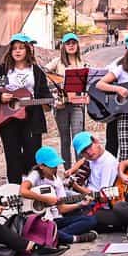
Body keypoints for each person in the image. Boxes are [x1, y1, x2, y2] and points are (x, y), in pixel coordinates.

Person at [0, 33, 54, 185]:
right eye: (14, 48)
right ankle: (13, 188)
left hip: (32, 119)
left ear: (28, 50)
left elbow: (46, 95)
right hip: (8, 119)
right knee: (12, 155)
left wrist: (51, 102)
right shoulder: (4, 69)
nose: (18, 51)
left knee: (32, 155)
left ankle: (31, 188)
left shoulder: (37, 72)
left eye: (21, 48)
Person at [19, 146, 98, 245]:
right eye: (51, 166)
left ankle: (51, 236)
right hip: (39, 221)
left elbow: (62, 209)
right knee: (43, 228)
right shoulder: (36, 175)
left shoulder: (57, 181)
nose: (55, 168)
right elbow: (23, 191)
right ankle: (70, 238)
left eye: (56, 165)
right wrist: (45, 199)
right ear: (41, 166)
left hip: (55, 220)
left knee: (91, 220)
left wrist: (80, 204)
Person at [45, 33, 90, 165]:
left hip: (77, 105)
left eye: (73, 43)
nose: (71, 46)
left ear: (77, 45)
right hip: (62, 105)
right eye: (68, 43)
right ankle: (67, 170)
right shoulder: (57, 61)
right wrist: (56, 85)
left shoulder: (83, 62)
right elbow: (44, 72)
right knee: (65, 140)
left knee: (78, 138)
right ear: (63, 46)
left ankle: (79, 170)